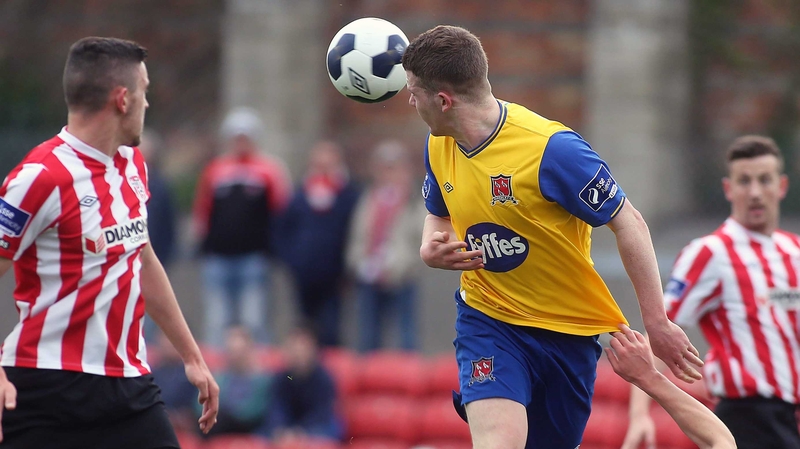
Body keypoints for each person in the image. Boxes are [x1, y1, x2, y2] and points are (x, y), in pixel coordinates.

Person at [401, 25, 703, 449]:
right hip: (489, 320)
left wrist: (656, 322)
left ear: (444, 100)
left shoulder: (551, 150)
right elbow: (438, 214)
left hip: (566, 333)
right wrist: (430, 247)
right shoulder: (439, 143)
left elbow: (629, 222)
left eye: (414, 91)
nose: (410, 100)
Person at [0, 37, 218, 449]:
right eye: (144, 92)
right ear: (122, 99)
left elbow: (142, 257)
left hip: (127, 384)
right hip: (45, 385)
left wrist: (192, 356)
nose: (147, 104)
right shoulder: (40, 177)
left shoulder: (134, 164)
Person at [623, 135, 800, 449]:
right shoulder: (710, 253)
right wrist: (639, 414)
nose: (756, 192)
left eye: (764, 180)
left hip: (790, 417)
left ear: (782, 186)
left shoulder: (794, 251)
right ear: (729, 189)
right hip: (746, 415)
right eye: (745, 181)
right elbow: (661, 333)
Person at [192, 107, 292, 346]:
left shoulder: (269, 170)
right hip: (218, 256)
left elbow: (281, 211)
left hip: (254, 257)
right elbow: (202, 210)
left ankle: (258, 375)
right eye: (236, 137)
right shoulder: (215, 170)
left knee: (254, 320)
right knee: (217, 321)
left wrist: (275, 249)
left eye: (245, 137)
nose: (241, 142)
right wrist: (202, 243)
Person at [277, 140, 360, 347]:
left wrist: (348, 268)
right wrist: (292, 260)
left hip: (334, 276)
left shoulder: (348, 194)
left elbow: (355, 232)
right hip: (304, 273)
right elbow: (282, 228)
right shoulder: (300, 193)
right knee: (305, 326)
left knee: (331, 328)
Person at [346, 139, 426, 352]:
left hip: (401, 276)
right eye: (384, 168)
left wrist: (402, 264)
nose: (389, 174)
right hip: (370, 275)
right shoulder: (369, 199)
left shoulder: (413, 200)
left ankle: (408, 375)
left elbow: (422, 236)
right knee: (368, 333)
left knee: (405, 332)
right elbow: (358, 235)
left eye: (394, 168)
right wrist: (360, 263)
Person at [607, 325, 736, 449]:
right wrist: (639, 412)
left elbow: (722, 441)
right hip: (741, 409)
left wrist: (647, 377)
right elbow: (721, 441)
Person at [268, 323, 342, 444]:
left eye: (303, 348)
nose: (298, 353)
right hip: (289, 428)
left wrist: (300, 432)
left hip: (317, 426)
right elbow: (277, 408)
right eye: (293, 348)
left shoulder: (323, 378)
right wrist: (280, 429)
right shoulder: (284, 377)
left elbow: (322, 413)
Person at [205, 325, 272, 437]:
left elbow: (255, 411)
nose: (235, 357)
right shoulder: (218, 378)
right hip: (218, 430)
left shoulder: (262, 380)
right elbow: (201, 407)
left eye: (239, 352)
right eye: (231, 352)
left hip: (250, 430)